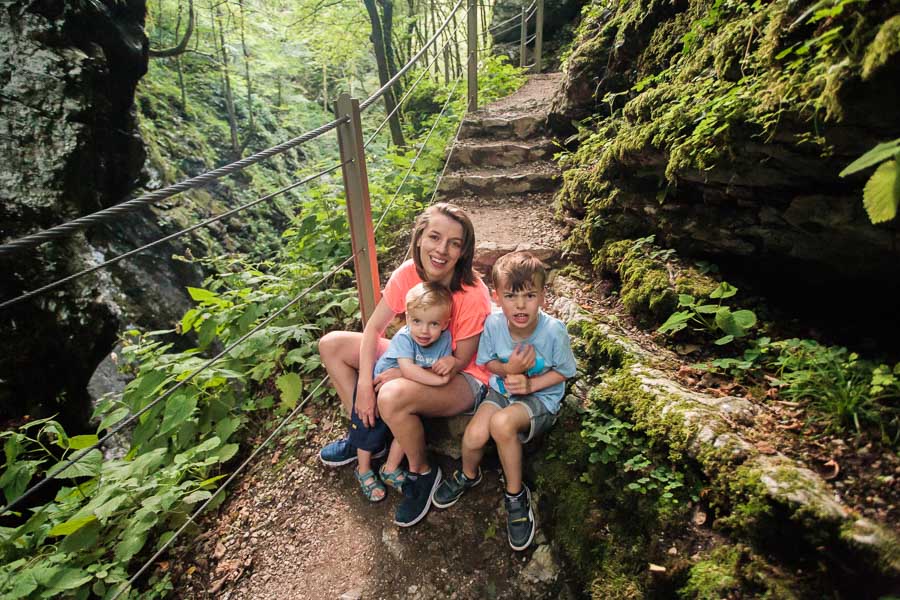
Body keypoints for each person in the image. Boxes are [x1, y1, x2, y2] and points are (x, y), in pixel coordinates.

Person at [318, 203, 491, 527]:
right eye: (435, 237)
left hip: (461, 377)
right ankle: (364, 434)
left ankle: (423, 472)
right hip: (415, 356)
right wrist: (364, 388)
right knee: (332, 346)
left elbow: (460, 362)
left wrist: (401, 372)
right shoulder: (408, 273)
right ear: (420, 237)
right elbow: (373, 329)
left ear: (463, 250)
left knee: (392, 395)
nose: (441, 250)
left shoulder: (472, 293)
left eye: (454, 243)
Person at [432, 251, 576, 551]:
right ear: (497, 297)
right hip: (500, 391)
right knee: (473, 436)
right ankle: (469, 474)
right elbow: (486, 363)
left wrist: (530, 382)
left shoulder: (552, 332)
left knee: (500, 424)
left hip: (540, 398)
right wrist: (509, 370)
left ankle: (515, 494)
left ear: (543, 297)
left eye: (529, 295)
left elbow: (565, 371)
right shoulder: (494, 325)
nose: (520, 304)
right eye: (511, 295)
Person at [335, 282, 455, 503]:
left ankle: (389, 468)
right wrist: (441, 380)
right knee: (366, 428)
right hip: (379, 386)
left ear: (446, 324)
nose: (424, 330)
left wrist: (449, 363)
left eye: (433, 324)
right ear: (407, 318)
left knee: (407, 427)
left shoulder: (445, 339)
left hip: (405, 389)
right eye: (417, 321)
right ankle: (363, 469)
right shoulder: (404, 337)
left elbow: (439, 363)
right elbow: (408, 370)